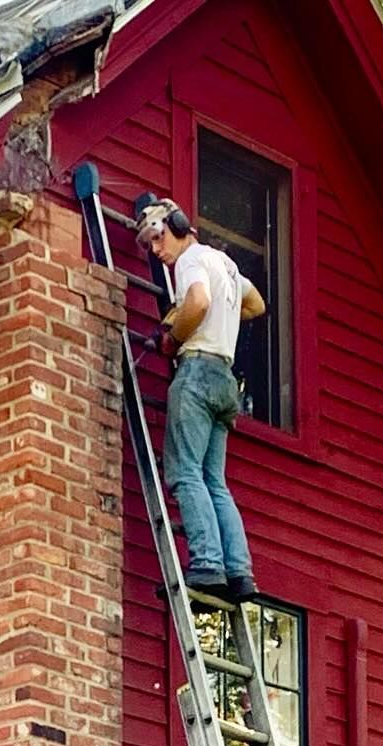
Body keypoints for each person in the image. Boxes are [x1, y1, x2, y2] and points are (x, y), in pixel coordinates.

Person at [135, 197, 266, 601]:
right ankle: (239, 572)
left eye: (158, 239)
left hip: (197, 372)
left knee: (186, 474)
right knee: (215, 482)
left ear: (176, 225)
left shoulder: (190, 261)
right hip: (226, 381)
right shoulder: (225, 265)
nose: (157, 251)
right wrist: (216, 323)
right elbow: (256, 304)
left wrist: (174, 339)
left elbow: (198, 301)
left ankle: (208, 564)